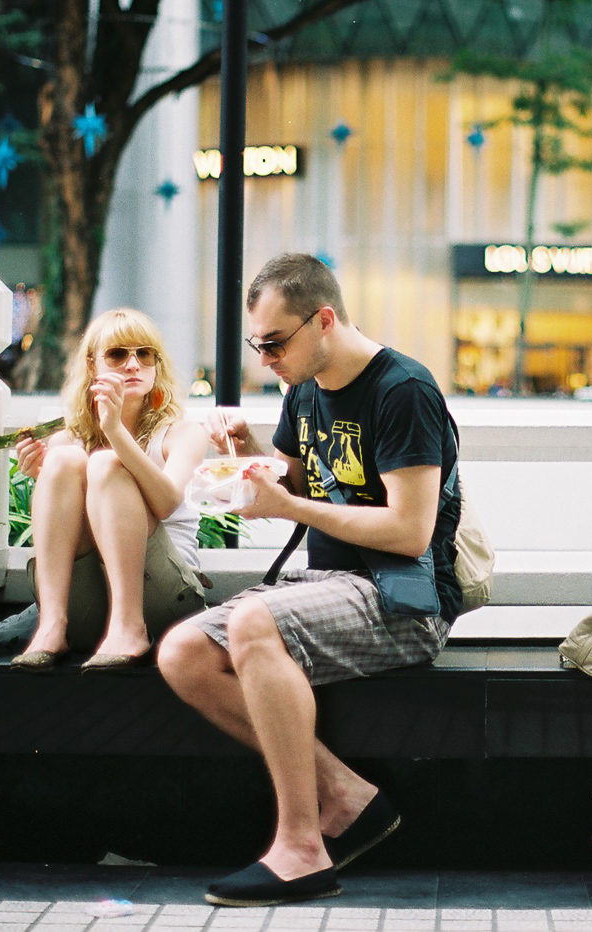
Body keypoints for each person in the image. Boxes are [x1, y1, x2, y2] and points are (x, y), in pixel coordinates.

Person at [157, 252, 460, 907]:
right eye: (256, 345)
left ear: (324, 320)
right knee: (182, 653)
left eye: (274, 344)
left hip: (404, 596)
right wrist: (244, 452)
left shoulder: (403, 390)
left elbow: (410, 532)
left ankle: (301, 845)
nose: (265, 360)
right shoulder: (303, 390)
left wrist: (289, 505)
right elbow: (291, 485)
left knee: (251, 622)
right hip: (327, 588)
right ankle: (347, 796)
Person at [9, 308, 210, 672]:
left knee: (104, 463)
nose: (133, 365)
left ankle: (130, 627)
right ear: (92, 366)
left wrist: (115, 433)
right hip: (90, 607)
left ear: (156, 365)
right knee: (62, 462)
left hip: (165, 601)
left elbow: (166, 503)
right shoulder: (68, 439)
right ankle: (52, 626)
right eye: (118, 354)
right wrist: (43, 475)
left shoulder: (182, 433)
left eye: (144, 354)